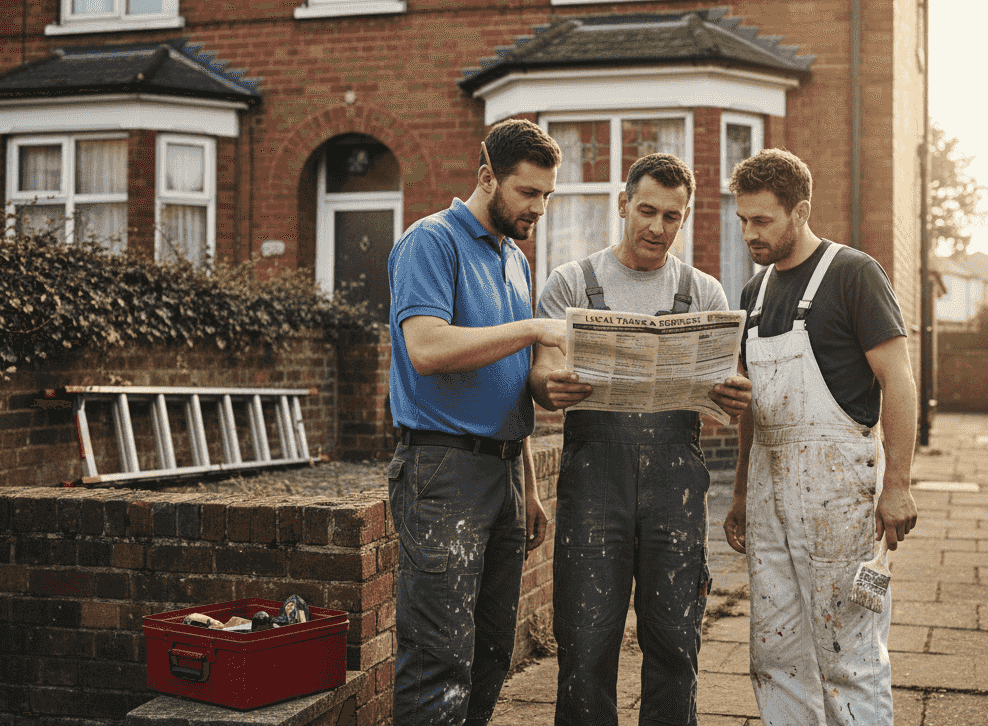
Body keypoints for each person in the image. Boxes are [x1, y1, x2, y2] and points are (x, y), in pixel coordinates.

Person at [530, 153, 753, 726]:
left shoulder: (703, 292)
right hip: (592, 483)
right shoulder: (571, 284)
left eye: (672, 217)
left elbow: (719, 393)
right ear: (623, 204)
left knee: (676, 639)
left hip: (675, 488)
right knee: (585, 639)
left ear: (685, 218)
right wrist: (548, 385)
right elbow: (539, 371)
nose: (658, 227)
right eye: (647, 211)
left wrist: (728, 396)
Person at [721, 149, 918, 725]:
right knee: (774, 652)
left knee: (848, 654)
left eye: (763, 221)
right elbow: (753, 410)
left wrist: (898, 486)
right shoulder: (752, 297)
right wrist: (738, 494)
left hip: (840, 498)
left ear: (800, 211)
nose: (750, 234)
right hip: (769, 494)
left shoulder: (853, 273)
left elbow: (899, 381)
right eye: (743, 221)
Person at [386, 118, 566, 725]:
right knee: (438, 658)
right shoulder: (429, 242)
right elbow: (428, 349)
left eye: (546, 195)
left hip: (507, 474)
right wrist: (535, 328)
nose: (538, 208)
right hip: (442, 470)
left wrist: (531, 485)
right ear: (487, 175)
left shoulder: (514, 258)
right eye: (527, 192)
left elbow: (513, 383)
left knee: (492, 652)